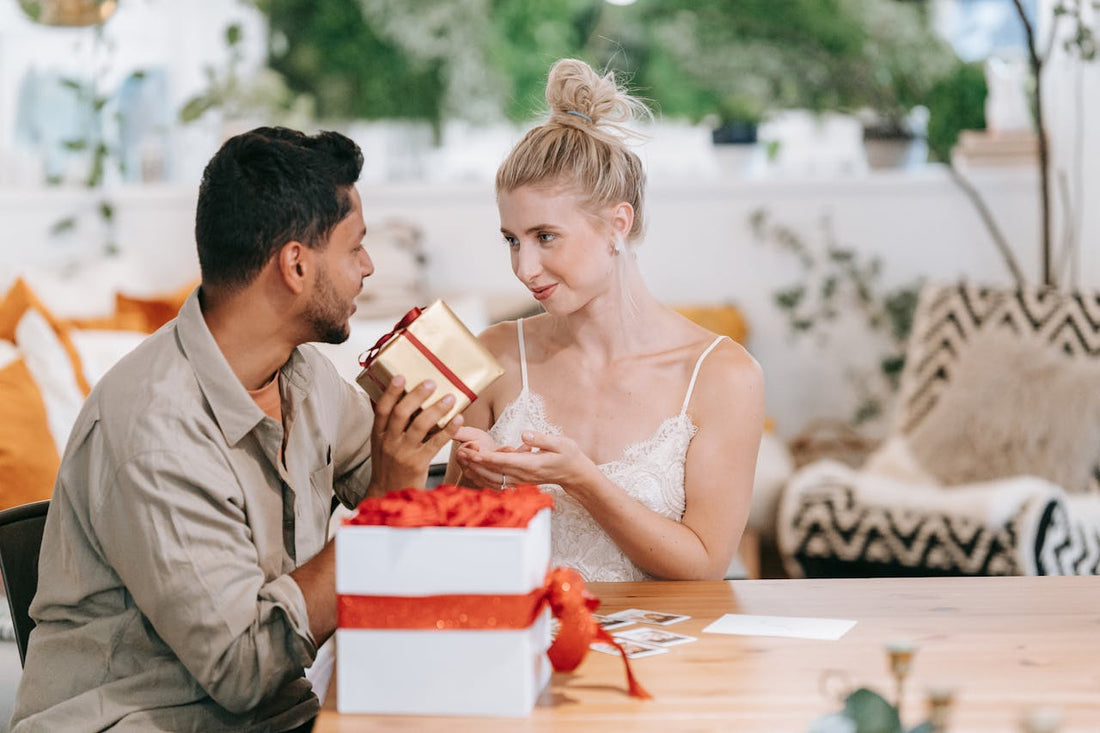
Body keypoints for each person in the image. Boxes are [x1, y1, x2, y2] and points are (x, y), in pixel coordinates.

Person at [10, 127, 461, 732]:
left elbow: (394, 478)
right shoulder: (155, 430)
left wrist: (459, 470)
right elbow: (243, 668)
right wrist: (389, 507)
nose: (369, 266)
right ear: (295, 265)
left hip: (276, 716)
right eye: (355, 247)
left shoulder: (301, 374)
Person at [446, 59, 765, 583]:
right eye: (512, 240)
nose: (524, 269)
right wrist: (475, 481)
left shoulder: (723, 376)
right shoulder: (496, 355)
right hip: (511, 646)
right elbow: (449, 547)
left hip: (665, 656)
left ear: (618, 224)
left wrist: (583, 481)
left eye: (546, 236)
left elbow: (705, 564)